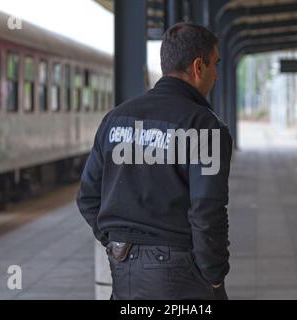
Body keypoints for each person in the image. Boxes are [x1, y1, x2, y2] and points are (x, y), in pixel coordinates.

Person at [77, 22, 232, 300]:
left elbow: (88, 197)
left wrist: (118, 241)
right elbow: (208, 210)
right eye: (215, 64)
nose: (217, 76)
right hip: (180, 271)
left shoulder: (115, 120)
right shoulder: (205, 126)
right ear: (199, 67)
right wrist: (214, 276)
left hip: (122, 267)